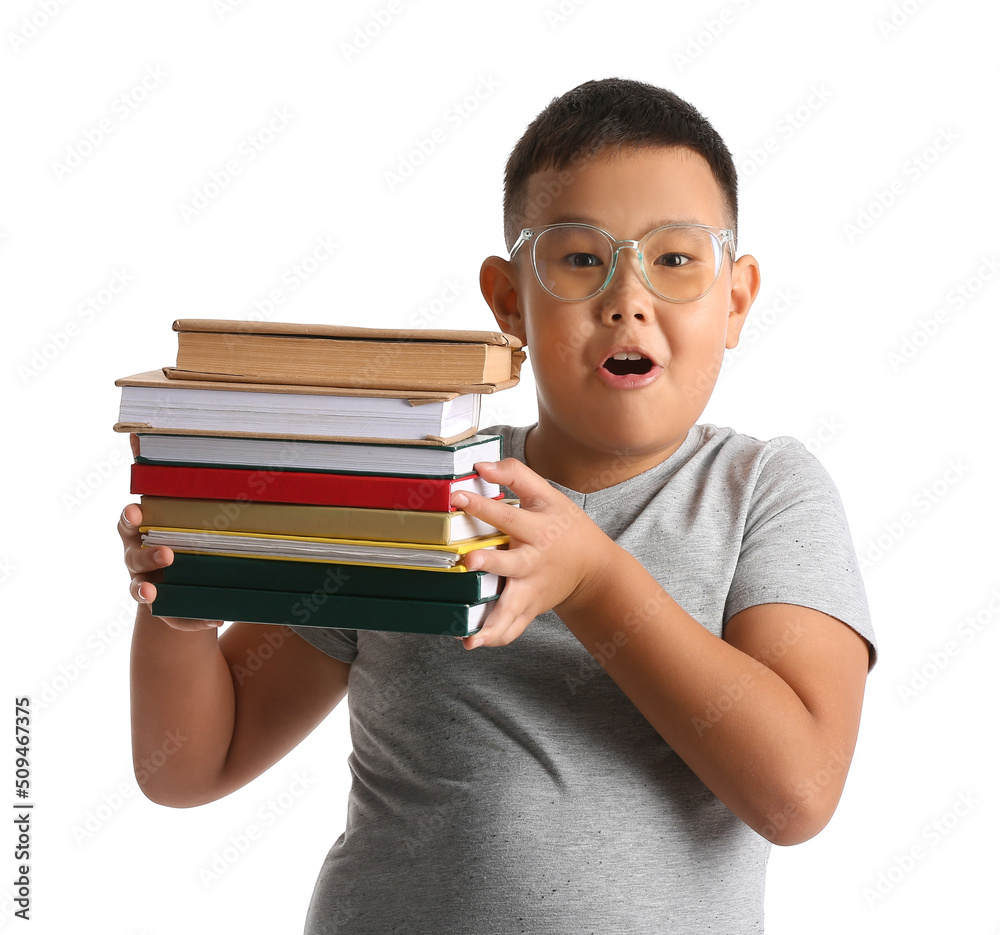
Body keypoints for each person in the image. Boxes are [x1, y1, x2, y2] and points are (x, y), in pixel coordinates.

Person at [119, 77, 877, 933]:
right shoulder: (424, 484)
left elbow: (796, 793)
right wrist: (178, 616)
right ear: (510, 301)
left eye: (674, 259)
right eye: (580, 258)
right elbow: (188, 766)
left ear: (734, 299)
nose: (627, 298)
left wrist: (593, 579)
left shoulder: (763, 492)